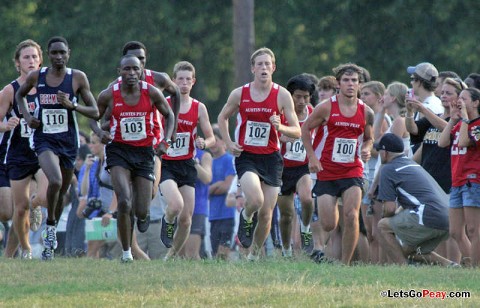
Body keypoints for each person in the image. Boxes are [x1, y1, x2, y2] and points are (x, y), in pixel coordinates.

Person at [15, 36, 99, 260]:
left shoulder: (77, 78)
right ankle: (50, 230)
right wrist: (27, 116)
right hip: (44, 140)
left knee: (61, 194)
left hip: (69, 142)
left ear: (68, 53)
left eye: (62, 52)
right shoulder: (37, 76)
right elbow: (19, 95)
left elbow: (95, 111)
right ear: (48, 55)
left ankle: (50, 235)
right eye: (54, 53)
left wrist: (74, 105)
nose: (59, 57)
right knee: (55, 181)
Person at [217, 47, 301, 261]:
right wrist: (229, 143)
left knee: (266, 213)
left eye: (267, 64)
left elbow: (297, 131)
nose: (264, 68)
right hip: (247, 156)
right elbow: (222, 117)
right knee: (255, 199)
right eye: (260, 64)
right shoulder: (239, 93)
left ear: (274, 68)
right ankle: (246, 217)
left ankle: (254, 256)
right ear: (252, 68)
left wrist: (280, 127)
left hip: (272, 158)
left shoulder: (282, 95)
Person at [95, 54, 174, 262]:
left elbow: (169, 115)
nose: (131, 73)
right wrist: (100, 132)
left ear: (141, 72)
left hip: (144, 152)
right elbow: (95, 116)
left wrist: (166, 140)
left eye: (135, 69)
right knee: (123, 200)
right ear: (119, 72)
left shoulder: (151, 92)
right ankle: (126, 253)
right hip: (118, 150)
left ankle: (142, 216)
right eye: (126, 69)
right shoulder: (109, 94)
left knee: (141, 210)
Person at [301, 63, 374, 265]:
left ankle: (345, 263)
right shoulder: (325, 107)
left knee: (351, 216)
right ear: (339, 84)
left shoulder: (366, 111)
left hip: (353, 170)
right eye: (346, 80)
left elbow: (369, 137)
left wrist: (367, 147)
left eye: (354, 81)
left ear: (359, 84)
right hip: (326, 170)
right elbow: (305, 130)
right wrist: (312, 158)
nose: (350, 84)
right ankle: (328, 250)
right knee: (328, 224)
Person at [160, 61, 215, 260]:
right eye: (180, 79)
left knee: (186, 220)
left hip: (187, 164)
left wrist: (203, 142)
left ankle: (171, 257)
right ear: (173, 81)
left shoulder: (199, 108)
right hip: (166, 163)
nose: (184, 83)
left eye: (188, 79)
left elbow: (211, 138)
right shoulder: (163, 103)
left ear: (193, 82)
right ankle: (167, 220)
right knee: (175, 205)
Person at [0, 39, 49, 260]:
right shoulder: (10, 91)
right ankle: (12, 254)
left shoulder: (49, 87)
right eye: (26, 57)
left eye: (35, 57)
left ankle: (21, 250)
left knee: (38, 200)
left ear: (40, 61)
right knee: (9, 212)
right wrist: (5, 125)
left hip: (40, 153)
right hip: (13, 155)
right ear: (18, 63)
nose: (31, 61)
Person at [375, 133, 456, 266]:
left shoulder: (388, 169)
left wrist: (389, 217)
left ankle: (403, 270)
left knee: (382, 226)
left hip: (427, 215)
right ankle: (450, 265)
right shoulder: (412, 164)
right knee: (407, 251)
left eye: (379, 150)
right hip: (448, 219)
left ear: (385, 153)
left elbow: (389, 209)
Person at [439, 87, 480, 267]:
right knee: (455, 231)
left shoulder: (476, 125)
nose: (459, 102)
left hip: (472, 180)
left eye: (464, 99)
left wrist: (464, 118)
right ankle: (472, 264)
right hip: (456, 181)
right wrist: (453, 119)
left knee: (473, 229)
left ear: (475, 102)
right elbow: (442, 142)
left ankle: (475, 268)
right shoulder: (460, 123)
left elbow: (464, 142)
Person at [277, 75, 315, 257]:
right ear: (290, 95)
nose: (301, 101)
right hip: (282, 169)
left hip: (302, 167)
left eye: (305, 97)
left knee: (307, 199)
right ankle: (286, 250)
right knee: (286, 215)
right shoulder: (281, 113)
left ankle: (306, 229)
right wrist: (282, 136)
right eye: (297, 96)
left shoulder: (313, 113)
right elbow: (271, 136)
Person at [359, 81, 387, 263]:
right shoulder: (366, 116)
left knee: (376, 230)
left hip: (377, 175)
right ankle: (370, 263)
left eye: (366, 94)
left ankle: (379, 264)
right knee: (367, 230)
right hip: (365, 174)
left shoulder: (382, 119)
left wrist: (365, 148)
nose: (362, 98)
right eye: (362, 94)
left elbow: (383, 150)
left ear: (379, 97)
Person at [178, 148, 212, 260]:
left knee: (191, 253)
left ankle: (199, 276)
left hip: (197, 208)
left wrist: (194, 163)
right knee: (179, 254)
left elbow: (207, 178)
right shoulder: (174, 151)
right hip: (178, 207)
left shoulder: (204, 155)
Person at [208, 127, 236, 260]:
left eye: (216, 140)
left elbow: (227, 186)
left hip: (227, 214)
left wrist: (213, 188)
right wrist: (216, 185)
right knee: (214, 254)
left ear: (224, 142)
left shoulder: (229, 160)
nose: (213, 144)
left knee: (223, 254)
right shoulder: (208, 162)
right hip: (213, 216)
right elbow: (204, 192)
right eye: (211, 140)